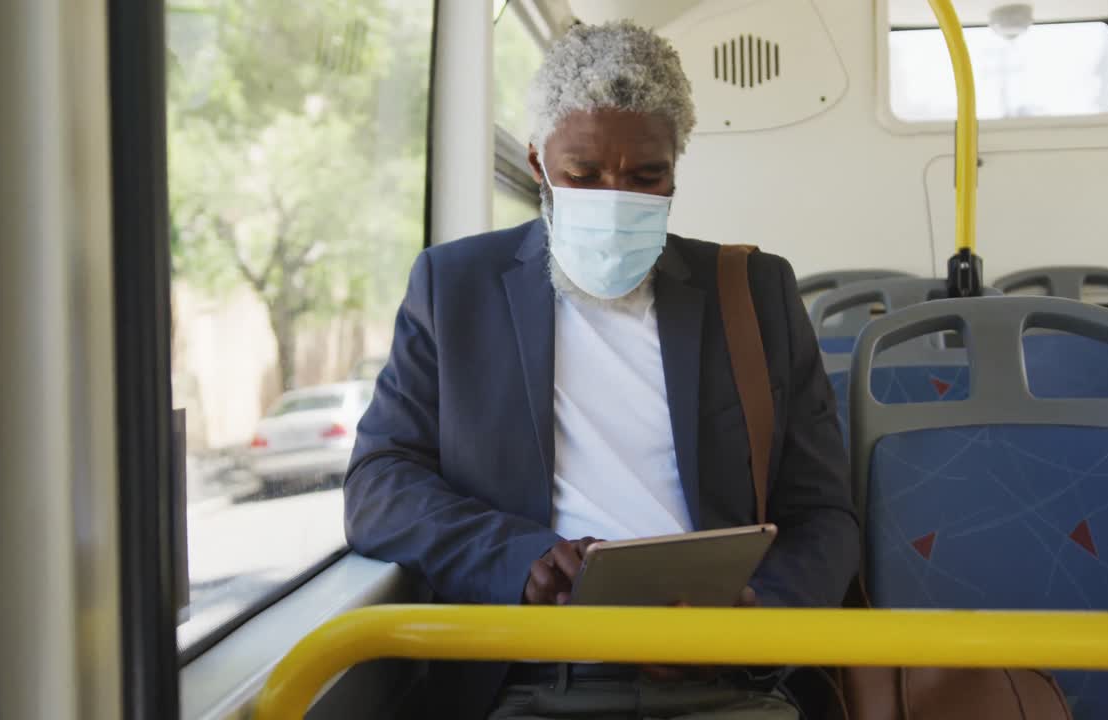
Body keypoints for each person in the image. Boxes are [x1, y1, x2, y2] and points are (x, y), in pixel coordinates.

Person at [344, 20, 858, 720]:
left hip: (725, 682)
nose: (614, 196)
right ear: (536, 164)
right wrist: (520, 558)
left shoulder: (754, 293)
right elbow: (378, 487)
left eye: (646, 176)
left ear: (675, 168)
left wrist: (753, 615)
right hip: (528, 679)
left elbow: (825, 513)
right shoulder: (455, 287)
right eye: (583, 175)